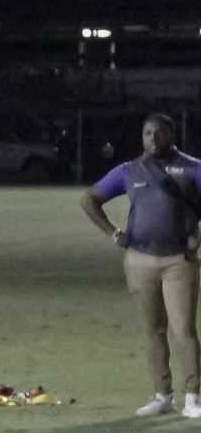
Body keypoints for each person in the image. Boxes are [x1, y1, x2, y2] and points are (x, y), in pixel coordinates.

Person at [79, 112, 201, 416]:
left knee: (183, 329)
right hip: (139, 260)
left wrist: (198, 240)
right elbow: (89, 199)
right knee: (152, 329)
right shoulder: (129, 171)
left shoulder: (192, 168)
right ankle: (162, 396)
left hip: (179, 262)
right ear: (141, 136)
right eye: (148, 133)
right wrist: (113, 234)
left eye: (160, 133)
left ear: (172, 135)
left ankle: (194, 397)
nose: (153, 138)